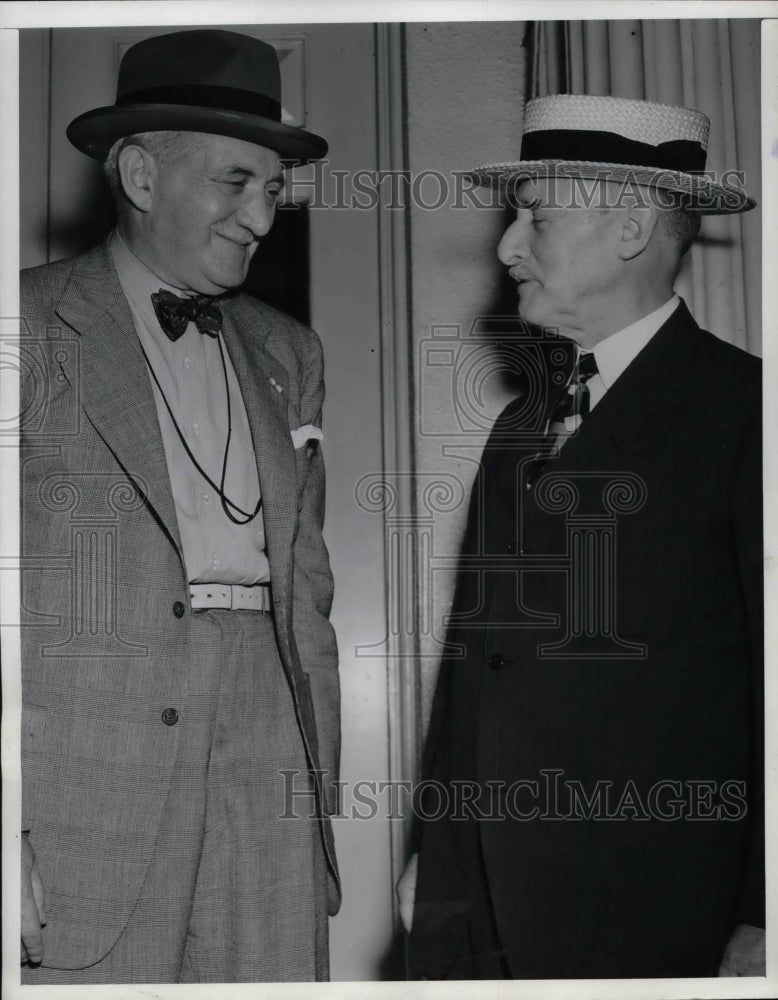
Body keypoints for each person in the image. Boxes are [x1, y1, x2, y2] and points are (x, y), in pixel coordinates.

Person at [403, 94, 764, 979]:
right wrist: (436, 862)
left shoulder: (749, 411)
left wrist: (764, 916)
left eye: (537, 215)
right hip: (480, 912)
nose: (507, 247)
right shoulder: (518, 429)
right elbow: (472, 665)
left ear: (633, 225)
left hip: (660, 917)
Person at [19, 29, 340, 983]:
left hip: (268, 744)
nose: (261, 219)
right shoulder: (21, 326)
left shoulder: (292, 352)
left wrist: (316, 806)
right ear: (142, 176)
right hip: (87, 766)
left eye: (274, 191)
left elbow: (310, 598)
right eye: (236, 183)